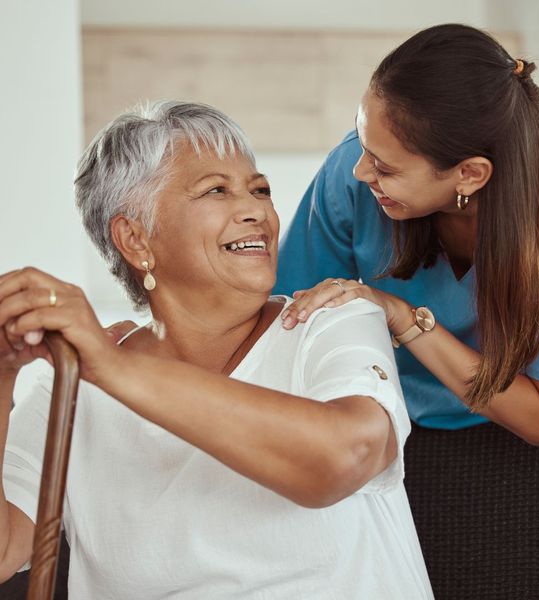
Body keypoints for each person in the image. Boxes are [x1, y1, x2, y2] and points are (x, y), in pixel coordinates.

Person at [0, 102, 433, 598]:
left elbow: (345, 457)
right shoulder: (71, 385)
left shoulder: (329, 320)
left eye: (259, 189)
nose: (256, 211)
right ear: (136, 238)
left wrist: (113, 366)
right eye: (216, 191)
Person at [274, 24, 539, 446]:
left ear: (469, 174)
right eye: (362, 143)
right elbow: (286, 330)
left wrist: (402, 316)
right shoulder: (350, 172)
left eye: (385, 168)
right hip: (393, 420)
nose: (359, 171)